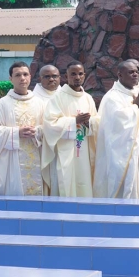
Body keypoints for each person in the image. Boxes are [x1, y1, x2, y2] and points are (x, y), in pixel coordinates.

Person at [92, 60, 139, 199]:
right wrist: (135, 106)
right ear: (120, 75)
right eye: (131, 72)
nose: (135, 74)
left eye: (137, 71)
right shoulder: (112, 97)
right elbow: (116, 124)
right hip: (125, 153)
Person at [0, 62, 46, 196]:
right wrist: (16, 132)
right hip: (11, 159)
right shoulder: (2, 104)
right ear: (11, 79)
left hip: (36, 153)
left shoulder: (40, 103)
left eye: (25, 74)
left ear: (30, 76)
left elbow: (48, 127)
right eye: (17, 75)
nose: (22, 78)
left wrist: (38, 131)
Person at [42, 61, 99, 197]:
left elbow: (97, 121)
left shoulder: (88, 98)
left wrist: (89, 122)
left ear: (84, 76)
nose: (77, 77)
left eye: (80, 74)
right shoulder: (58, 97)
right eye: (73, 74)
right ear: (66, 76)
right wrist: (74, 121)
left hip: (84, 150)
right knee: (65, 183)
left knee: (84, 182)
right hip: (65, 151)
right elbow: (49, 124)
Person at [32, 64, 60, 195]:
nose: (51, 79)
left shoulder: (65, 95)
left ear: (60, 77)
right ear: (40, 78)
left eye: (54, 76)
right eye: (47, 76)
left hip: (62, 147)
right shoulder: (33, 98)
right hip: (42, 147)